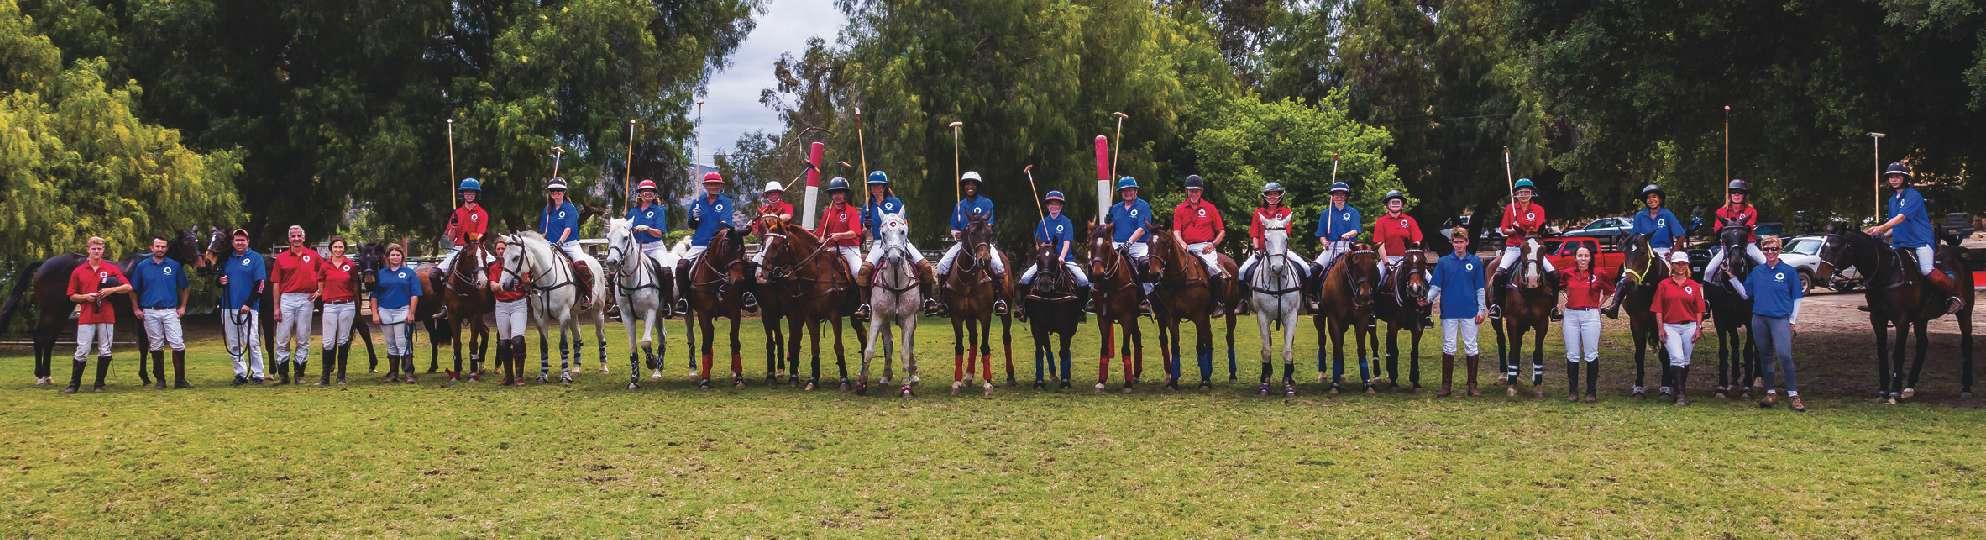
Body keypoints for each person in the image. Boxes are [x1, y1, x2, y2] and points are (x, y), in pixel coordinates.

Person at [1865, 162, 1964, 314]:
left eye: (1897, 176)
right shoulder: (1892, 200)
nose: (1893, 180)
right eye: (1891, 177)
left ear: (1904, 178)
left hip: (1920, 241)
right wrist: (1879, 234)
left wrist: (1881, 227)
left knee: (1926, 269)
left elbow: (1901, 218)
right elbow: (1895, 226)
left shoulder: (1913, 195)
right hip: (1900, 243)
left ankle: (1954, 294)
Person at [1733, 235, 1806, 412]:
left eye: (1774, 249)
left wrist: (1792, 320)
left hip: (1780, 319)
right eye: (1766, 249)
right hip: (1759, 319)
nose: (1770, 252)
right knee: (1765, 356)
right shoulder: (1757, 272)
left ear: (1779, 250)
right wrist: (1732, 279)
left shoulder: (1789, 271)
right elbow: (1745, 294)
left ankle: (1793, 394)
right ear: (1763, 251)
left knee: (1784, 355)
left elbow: (1797, 297)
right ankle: (1770, 392)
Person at [60, 237, 132, 393]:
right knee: (82, 349)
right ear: (88, 250)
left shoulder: (111, 268)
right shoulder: (78, 271)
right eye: (94, 248)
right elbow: (72, 296)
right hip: (87, 315)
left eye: (99, 249)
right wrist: (85, 297)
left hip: (106, 315)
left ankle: (99, 384)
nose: (97, 251)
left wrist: (111, 290)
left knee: (105, 349)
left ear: (103, 250)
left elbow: (128, 286)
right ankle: (74, 384)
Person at [856, 171, 936, 311]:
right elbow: (864, 232)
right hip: (879, 243)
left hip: (901, 242)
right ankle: (865, 305)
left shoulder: (895, 202)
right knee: (864, 271)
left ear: (884, 186)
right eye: (873, 185)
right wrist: (866, 226)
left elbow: (905, 224)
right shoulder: (867, 207)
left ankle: (928, 300)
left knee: (926, 267)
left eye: (878, 185)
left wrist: (900, 238)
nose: (875, 188)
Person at [1606, 184, 1686, 317]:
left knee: (1677, 273)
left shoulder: (1667, 214)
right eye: (1648, 198)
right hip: (1642, 250)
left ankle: (1681, 308)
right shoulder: (1640, 216)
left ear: (1660, 199)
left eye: (1654, 196)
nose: (1651, 200)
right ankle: (1615, 305)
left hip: (1662, 250)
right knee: (1626, 274)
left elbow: (1681, 236)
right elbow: (1634, 236)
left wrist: (1673, 252)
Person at [935, 171, 1007, 311]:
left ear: (977, 186)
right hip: (963, 243)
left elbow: (989, 225)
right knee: (942, 265)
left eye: (973, 184)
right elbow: (954, 228)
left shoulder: (986, 202)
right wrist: (956, 233)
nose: (970, 186)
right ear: (963, 187)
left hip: (982, 243)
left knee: (998, 265)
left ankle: (999, 299)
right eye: (967, 184)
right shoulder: (959, 205)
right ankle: (942, 300)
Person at [1428, 229, 1486, 397]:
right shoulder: (1443, 262)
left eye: (1461, 242)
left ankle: (1472, 385)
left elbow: (1480, 288)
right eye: (1455, 242)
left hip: (1470, 311)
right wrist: (1427, 299)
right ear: (1452, 243)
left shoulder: (1475, 262)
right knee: (1449, 346)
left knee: (1471, 346)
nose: (1458, 245)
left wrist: (1481, 309)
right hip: (1449, 311)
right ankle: (1446, 385)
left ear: (1467, 242)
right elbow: (1436, 286)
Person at [1487, 178, 1555, 319]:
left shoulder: (1538, 209)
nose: (1523, 195)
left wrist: (1521, 227)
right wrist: (1513, 230)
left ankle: (1554, 307)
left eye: (1526, 192)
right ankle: (1496, 305)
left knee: (1554, 274)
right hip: (1514, 248)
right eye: (1520, 192)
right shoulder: (1509, 208)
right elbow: (1504, 229)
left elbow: (1537, 229)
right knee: (1499, 274)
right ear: (1516, 194)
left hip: (1533, 248)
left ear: (1531, 193)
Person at [131, 236, 191, 389]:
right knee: (156, 344)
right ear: (152, 248)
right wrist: (136, 308)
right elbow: (133, 289)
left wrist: (183, 306)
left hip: (170, 311)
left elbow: (185, 287)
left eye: (163, 247)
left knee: (177, 343)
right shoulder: (142, 266)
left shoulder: (174, 265)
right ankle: (160, 380)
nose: (160, 249)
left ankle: (180, 380)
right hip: (150, 311)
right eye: (157, 246)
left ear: (167, 248)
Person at [1558, 244, 1614, 403]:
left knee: (1591, 353)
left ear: (1591, 258)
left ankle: (1591, 391)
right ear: (1575, 257)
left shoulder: (1599, 273)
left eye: (1586, 255)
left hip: (1590, 315)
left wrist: (1599, 304)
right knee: (1572, 354)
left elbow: (1610, 290)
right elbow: (1560, 287)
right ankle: (1573, 391)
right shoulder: (1567, 273)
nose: (1583, 258)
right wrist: (1562, 302)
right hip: (1571, 316)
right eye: (1580, 255)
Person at [675, 172, 735, 314]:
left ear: (721, 186)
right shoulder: (697, 202)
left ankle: (745, 295)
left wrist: (717, 235)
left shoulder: (725, 202)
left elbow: (725, 224)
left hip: (719, 244)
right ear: (705, 186)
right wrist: (694, 218)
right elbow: (692, 225)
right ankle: (683, 298)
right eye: (710, 184)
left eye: (717, 184)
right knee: (681, 266)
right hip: (699, 243)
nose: (714, 186)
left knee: (738, 265)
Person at [1651, 251, 1705, 405]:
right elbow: (1658, 309)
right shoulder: (1663, 285)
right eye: (1677, 264)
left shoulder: (1694, 285)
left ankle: (1678, 389)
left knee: (1686, 359)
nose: (1680, 266)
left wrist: (1698, 328)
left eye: (1683, 263)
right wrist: (1660, 328)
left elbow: (1699, 309)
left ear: (1687, 265)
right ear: (1672, 266)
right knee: (1677, 357)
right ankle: (1681, 395)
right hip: (1670, 326)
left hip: (1689, 326)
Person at [270, 225, 322, 385]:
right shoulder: (281, 258)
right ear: (289, 239)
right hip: (287, 298)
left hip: (306, 299)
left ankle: (299, 373)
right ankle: (283, 374)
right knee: (282, 336)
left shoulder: (313, 256)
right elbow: (276, 283)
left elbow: (324, 274)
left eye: (299, 235)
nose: (296, 238)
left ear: (304, 238)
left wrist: (319, 291)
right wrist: (276, 307)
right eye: (293, 236)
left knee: (303, 336)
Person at [1018, 191, 1090, 303]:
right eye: (1051, 204)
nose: (1054, 206)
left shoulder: (1066, 222)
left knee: (1083, 280)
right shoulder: (1042, 222)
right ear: (1047, 206)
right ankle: (1022, 307)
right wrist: (1043, 249)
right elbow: (1038, 243)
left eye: (1057, 204)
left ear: (1061, 206)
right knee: (1025, 278)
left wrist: (1061, 257)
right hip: (1045, 262)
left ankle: (1082, 307)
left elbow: (1067, 243)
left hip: (1065, 259)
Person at [218, 229, 268, 385]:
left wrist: (249, 303)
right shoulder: (226, 259)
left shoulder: (255, 258)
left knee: (252, 340)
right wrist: (220, 281)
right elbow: (219, 279)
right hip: (228, 305)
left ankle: (258, 373)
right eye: (237, 240)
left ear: (248, 241)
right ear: (233, 242)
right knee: (234, 342)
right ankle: (240, 373)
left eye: (243, 240)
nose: (240, 242)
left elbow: (260, 284)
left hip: (248, 307)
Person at [1171, 174, 1229, 310]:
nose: (1194, 194)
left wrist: (1213, 244)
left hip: (1205, 247)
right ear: (1186, 191)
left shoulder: (1210, 208)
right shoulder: (1179, 209)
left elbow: (1221, 231)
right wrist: (1181, 242)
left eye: (1196, 191)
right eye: (1191, 191)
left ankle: (1218, 302)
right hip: (1186, 247)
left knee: (1214, 269)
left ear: (1201, 191)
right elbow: (1176, 231)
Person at [1238, 183, 1309, 284]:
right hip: (1262, 251)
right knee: (1241, 272)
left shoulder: (1286, 212)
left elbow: (1286, 234)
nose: (1272, 197)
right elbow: (1255, 234)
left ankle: (1306, 292)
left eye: (1275, 194)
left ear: (1280, 195)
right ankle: (1245, 294)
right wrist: (1257, 249)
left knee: (1306, 269)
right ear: (1265, 196)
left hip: (1281, 252)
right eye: (1269, 194)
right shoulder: (1258, 212)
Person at [538, 177, 593, 305]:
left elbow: (568, 229)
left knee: (581, 266)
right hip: (550, 246)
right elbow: (543, 232)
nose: (556, 193)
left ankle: (587, 295)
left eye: (559, 190)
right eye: (553, 191)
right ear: (550, 193)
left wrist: (560, 242)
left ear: (564, 192)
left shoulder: (570, 208)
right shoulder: (547, 210)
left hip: (569, 245)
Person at [373, 244, 423, 384]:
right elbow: (374, 296)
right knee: (390, 342)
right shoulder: (381, 274)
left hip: (402, 310)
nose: (395, 257)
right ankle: (393, 373)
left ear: (402, 257)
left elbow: (414, 295)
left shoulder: (409, 273)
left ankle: (408, 373)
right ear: (388, 257)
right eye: (392, 255)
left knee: (402, 342)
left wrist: (411, 313)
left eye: (398, 254)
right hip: (385, 311)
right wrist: (375, 313)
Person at [815, 177, 865, 312]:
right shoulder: (827, 212)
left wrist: (839, 235)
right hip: (830, 248)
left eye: (840, 192)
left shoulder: (851, 211)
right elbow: (820, 233)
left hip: (849, 248)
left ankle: (864, 303)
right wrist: (820, 238)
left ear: (845, 194)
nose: (837, 195)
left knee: (857, 271)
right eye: (834, 193)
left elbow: (854, 232)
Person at [1105, 177, 1156, 304]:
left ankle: (1146, 297)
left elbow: (1141, 229)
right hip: (1117, 244)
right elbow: (1109, 229)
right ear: (1121, 193)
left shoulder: (1143, 206)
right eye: (1124, 190)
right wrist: (1107, 223)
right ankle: (1098, 295)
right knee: (1100, 262)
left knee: (1144, 264)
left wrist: (1128, 243)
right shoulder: (1115, 208)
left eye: (1130, 190)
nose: (1127, 193)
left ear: (1135, 191)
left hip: (1138, 244)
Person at [1703, 179, 1765, 283]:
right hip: (1728, 247)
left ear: (1744, 195)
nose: (1736, 195)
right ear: (1730, 195)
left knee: (1766, 264)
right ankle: (1707, 292)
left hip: (1748, 245)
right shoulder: (1721, 211)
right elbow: (1718, 230)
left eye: (1739, 192)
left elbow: (1748, 227)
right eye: (1733, 192)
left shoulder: (1751, 211)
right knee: (1708, 271)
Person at [317, 237, 360, 386]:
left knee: (343, 340)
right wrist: (321, 293)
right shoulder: (325, 265)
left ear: (344, 249)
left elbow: (355, 285)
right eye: (335, 247)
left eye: (341, 247)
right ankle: (325, 377)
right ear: (331, 249)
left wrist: (355, 302)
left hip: (347, 305)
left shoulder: (351, 265)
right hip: (330, 305)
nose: (338, 249)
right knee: (328, 341)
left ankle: (341, 376)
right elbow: (320, 281)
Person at [487, 240, 530, 386]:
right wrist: (504, 285)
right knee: (504, 343)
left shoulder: (518, 264)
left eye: (503, 248)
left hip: (518, 303)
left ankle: (519, 376)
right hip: (501, 305)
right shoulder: (494, 267)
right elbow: (492, 286)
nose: (500, 251)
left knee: (517, 340)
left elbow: (527, 283)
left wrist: (526, 281)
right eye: (498, 249)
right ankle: (508, 376)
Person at [1371, 189, 1424, 281]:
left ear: (1402, 205)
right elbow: (1380, 244)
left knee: (1429, 279)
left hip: (1407, 259)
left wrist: (1414, 248)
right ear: (1387, 205)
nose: (1395, 204)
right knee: (1375, 281)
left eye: (1398, 202)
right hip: (1388, 259)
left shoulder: (1410, 220)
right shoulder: (1381, 221)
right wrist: (1386, 263)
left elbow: (1417, 240)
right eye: (1393, 202)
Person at [750, 180, 796, 281]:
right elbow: (756, 230)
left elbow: (787, 217)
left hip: (784, 245)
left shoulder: (787, 206)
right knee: (753, 264)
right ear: (767, 196)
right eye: (770, 194)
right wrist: (752, 224)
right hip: (767, 245)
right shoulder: (764, 209)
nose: (773, 196)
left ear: (780, 194)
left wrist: (773, 217)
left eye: (775, 193)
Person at [1312, 182, 1362, 273]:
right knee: (1314, 269)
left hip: (1348, 247)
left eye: (1341, 195)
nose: (1339, 197)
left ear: (1345, 196)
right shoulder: (1326, 213)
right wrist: (1324, 242)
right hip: (1330, 248)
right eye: (1336, 195)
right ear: (1332, 196)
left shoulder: (1353, 212)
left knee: (1362, 269)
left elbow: (1355, 230)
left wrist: (1347, 234)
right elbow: (1321, 234)